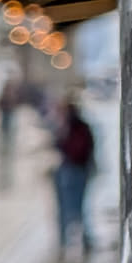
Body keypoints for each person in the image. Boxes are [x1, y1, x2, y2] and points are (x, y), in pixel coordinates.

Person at [52, 98, 96, 254]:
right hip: (74, 170)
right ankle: (74, 239)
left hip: (73, 170)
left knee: (72, 207)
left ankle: (72, 240)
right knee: (75, 207)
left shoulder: (73, 127)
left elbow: (75, 148)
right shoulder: (76, 127)